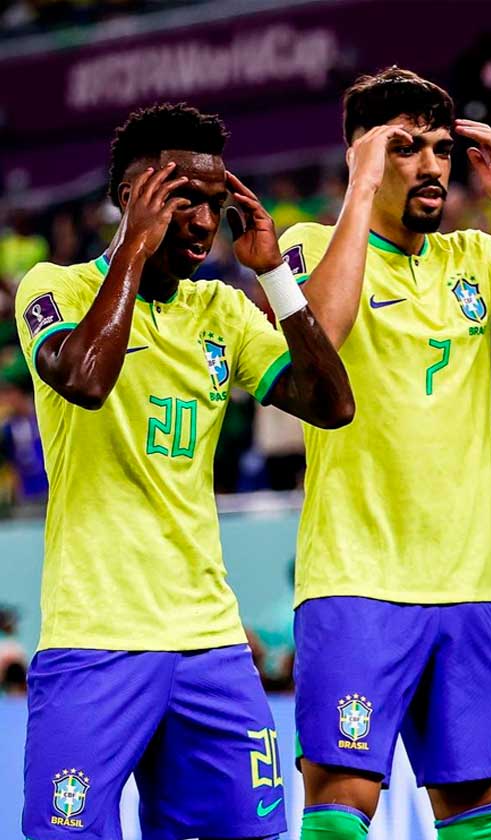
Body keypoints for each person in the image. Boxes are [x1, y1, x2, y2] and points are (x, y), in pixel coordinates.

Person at [277, 68, 491, 840]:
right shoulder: (309, 247)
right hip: (356, 582)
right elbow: (317, 340)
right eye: (405, 147)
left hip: (469, 590)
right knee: (340, 816)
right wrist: (363, 185)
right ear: (361, 154)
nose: (432, 165)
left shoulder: (477, 260)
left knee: (482, 824)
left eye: (439, 148)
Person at [16, 103, 354, 840]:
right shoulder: (55, 287)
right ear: (131, 198)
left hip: (210, 641)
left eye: (215, 203)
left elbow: (332, 406)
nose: (205, 222)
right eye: (183, 200)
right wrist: (134, 249)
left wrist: (275, 276)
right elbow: (85, 379)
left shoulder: (222, 310)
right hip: (94, 637)